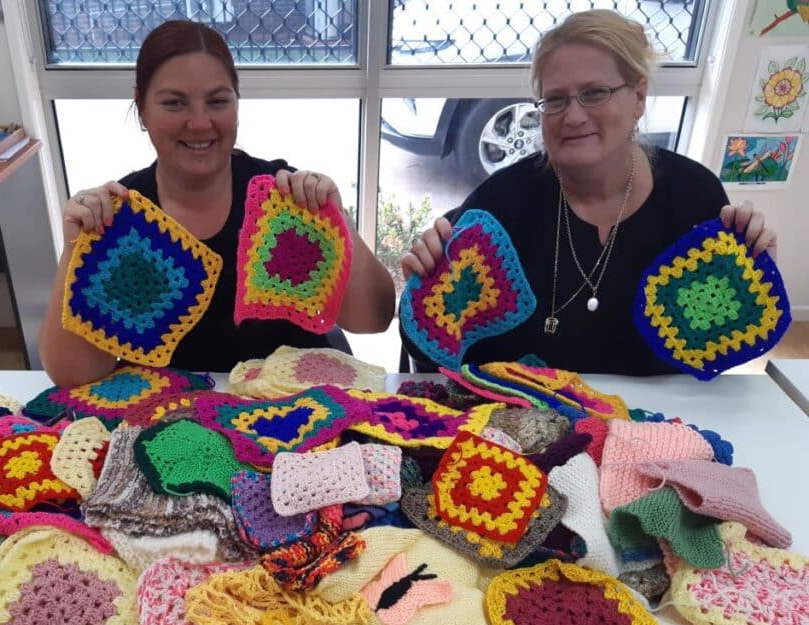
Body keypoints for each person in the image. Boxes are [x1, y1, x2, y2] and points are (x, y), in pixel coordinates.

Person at [399, 9, 779, 376]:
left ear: (639, 97)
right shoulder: (501, 204)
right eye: (556, 99)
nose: (574, 116)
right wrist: (423, 282)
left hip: (653, 431)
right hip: (520, 426)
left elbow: (714, 351)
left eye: (595, 93)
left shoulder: (694, 197)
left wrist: (753, 277)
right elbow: (426, 352)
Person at [40, 20, 395, 388]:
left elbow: (374, 319)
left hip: (296, 412)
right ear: (142, 109)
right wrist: (75, 249)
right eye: (174, 103)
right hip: (174, 424)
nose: (199, 122)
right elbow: (74, 374)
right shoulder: (120, 220)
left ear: (237, 105)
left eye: (218, 101)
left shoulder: (286, 202)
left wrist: (338, 221)